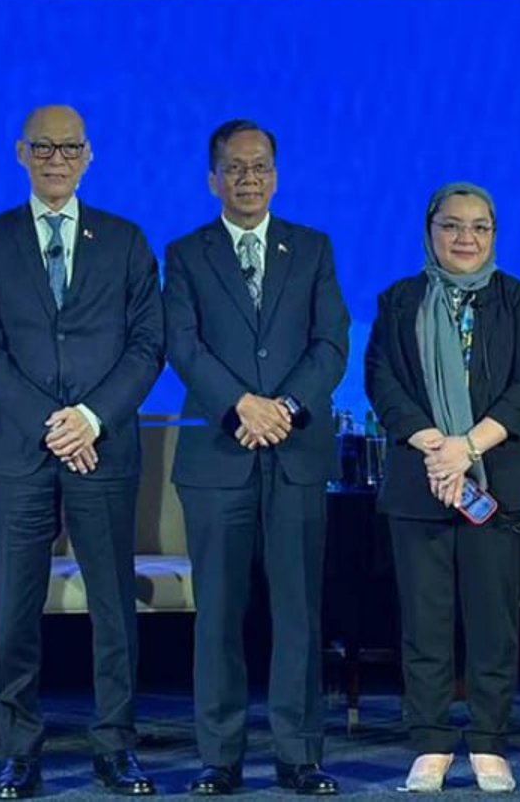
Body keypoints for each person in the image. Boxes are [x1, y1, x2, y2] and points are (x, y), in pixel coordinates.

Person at [0, 105, 165, 799]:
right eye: (44, 147)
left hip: (102, 450)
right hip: (17, 451)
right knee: (15, 609)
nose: (57, 158)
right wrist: (53, 423)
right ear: (21, 152)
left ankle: (115, 746)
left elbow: (148, 346)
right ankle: (19, 750)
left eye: (70, 147)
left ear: (89, 155)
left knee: (113, 605)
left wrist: (89, 418)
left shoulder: (125, 239)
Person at [162, 120, 348, 796]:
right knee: (218, 614)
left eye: (260, 166)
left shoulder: (313, 248)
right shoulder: (185, 253)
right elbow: (182, 343)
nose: (248, 178)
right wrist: (242, 404)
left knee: (298, 612)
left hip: (294, 454)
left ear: (277, 173)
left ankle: (300, 754)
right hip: (219, 455)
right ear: (212, 178)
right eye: (234, 168)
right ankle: (220, 755)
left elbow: (331, 344)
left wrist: (286, 408)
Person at [366, 183, 520, 794]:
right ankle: (430, 741)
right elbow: (381, 382)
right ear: (430, 231)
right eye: (452, 226)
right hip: (420, 480)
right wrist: (432, 444)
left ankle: (490, 742)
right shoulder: (399, 301)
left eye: (479, 227)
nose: (465, 239)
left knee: (493, 620)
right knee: (425, 621)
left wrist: (466, 447)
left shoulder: (518, 300)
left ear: (494, 235)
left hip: (495, 480)